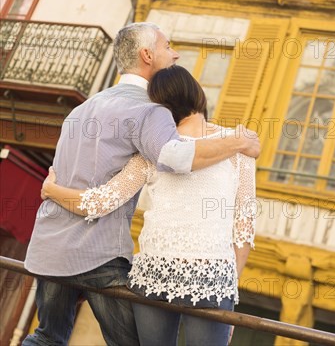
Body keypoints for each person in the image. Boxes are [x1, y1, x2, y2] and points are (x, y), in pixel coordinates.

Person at [23, 23, 260, 346]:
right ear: (147, 55)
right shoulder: (153, 116)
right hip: (106, 258)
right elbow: (178, 159)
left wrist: (50, 190)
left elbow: (100, 197)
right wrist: (240, 141)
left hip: (57, 248)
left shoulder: (81, 110)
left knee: (47, 337)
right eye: (167, 47)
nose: (174, 53)